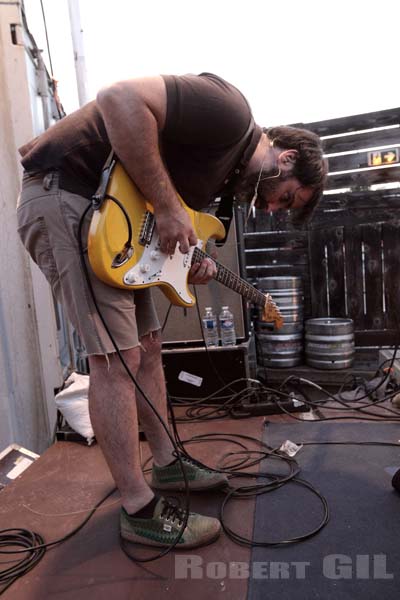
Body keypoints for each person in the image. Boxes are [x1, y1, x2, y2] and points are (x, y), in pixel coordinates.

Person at [17, 72, 327, 549]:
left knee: (147, 347)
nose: (271, 208)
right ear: (286, 158)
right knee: (114, 359)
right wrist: (166, 204)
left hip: (114, 218)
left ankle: (166, 463)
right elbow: (118, 99)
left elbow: (164, 214)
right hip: (71, 195)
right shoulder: (230, 112)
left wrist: (187, 258)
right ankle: (138, 509)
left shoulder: (226, 176)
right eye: (284, 197)